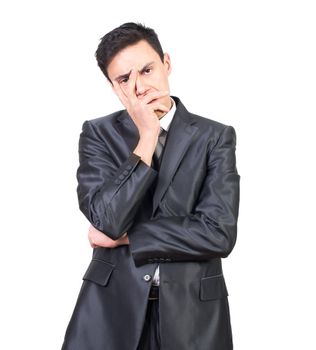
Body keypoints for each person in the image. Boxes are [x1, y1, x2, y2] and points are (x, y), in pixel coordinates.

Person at [61, 22, 240, 350]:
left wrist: (130, 237)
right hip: (109, 311)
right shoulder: (98, 135)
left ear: (166, 64)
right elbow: (108, 219)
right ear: (115, 88)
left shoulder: (215, 137)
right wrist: (147, 137)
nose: (140, 86)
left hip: (192, 315)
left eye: (147, 70)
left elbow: (218, 233)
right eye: (125, 79)